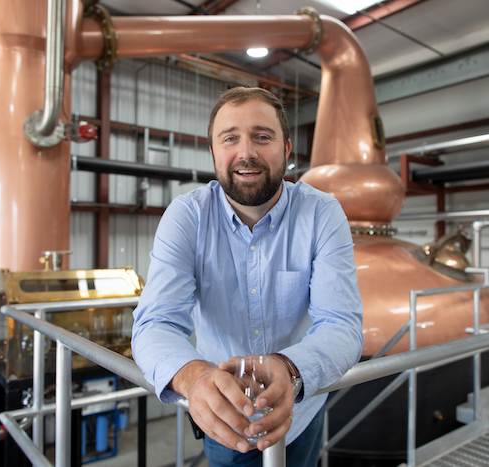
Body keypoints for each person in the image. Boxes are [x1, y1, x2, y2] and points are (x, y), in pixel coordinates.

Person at [131, 86, 363, 467]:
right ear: (213, 152)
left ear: (287, 149)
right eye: (230, 139)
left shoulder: (322, 214)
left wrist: (289, 368)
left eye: (262, 137)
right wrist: (194, 378)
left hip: (300, 414)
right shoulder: (187, 217)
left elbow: (342, 324)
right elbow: (155, 323)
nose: (246, 153)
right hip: (223, 420)